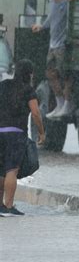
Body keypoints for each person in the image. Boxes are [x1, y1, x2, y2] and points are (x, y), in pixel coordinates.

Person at [0, 59, 45, 217]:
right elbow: (35, 113)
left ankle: (0, 206)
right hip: (16, 133)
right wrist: (41, 132)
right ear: (30, 74)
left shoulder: (4, 85)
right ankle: (9, 205)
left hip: (0, 131)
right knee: (12, 170)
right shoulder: (28, 90)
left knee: (1, 171)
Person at [32, 0, 78, 119]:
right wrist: (41, 26)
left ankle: (67, 104)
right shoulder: (52, 3)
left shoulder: (67, 1)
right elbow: (50, 20)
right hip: (53, 45)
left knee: (64, 74)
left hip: (62, 46)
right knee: (51, 74)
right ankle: (59, 103)